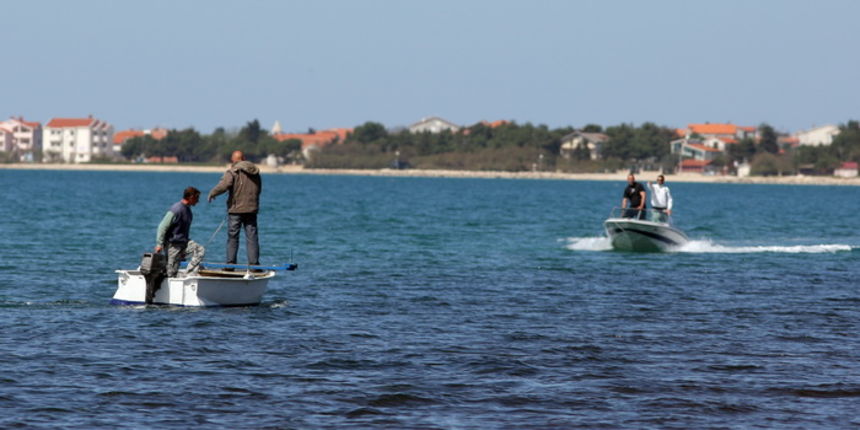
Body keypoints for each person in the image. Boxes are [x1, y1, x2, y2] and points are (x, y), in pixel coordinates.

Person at [208, 150, 262, 267]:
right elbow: (259, 189)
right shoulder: (255, 172)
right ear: (244, 158)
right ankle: (254, 265)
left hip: (236, 209)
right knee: (252, 237)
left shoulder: (233, 171)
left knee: (233, 237)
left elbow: (224, 185)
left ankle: (230, 265)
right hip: (252, 209)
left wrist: (212, 193)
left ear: (233, 160)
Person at [155, 186, 205, 277]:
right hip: (173, 245)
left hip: (183, 243)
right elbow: (162, 226)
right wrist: (159, 244)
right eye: (197, 198)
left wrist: (183, 251)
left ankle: (189, 274)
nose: (198, 201)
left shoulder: (188, 210)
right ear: (191, 197)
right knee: (171, 273)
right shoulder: (176, 209)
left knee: (199, 249)